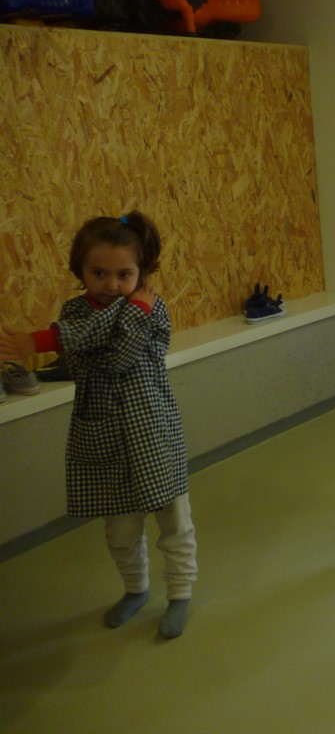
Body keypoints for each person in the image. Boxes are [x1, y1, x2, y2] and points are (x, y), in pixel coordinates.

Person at [0, 211, 197, 638]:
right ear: (80, 271)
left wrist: (44, 339)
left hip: (154, 432)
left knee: (175, 522)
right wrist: (55, 338)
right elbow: (89, 347)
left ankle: (180, 593)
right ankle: (135, 589)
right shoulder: (75, 312)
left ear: (141, 272)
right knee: (120, 531)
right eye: (99, 273)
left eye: (125, 275)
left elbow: (119, 356)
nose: (111, 284)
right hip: (103, 434)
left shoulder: (152, 308)